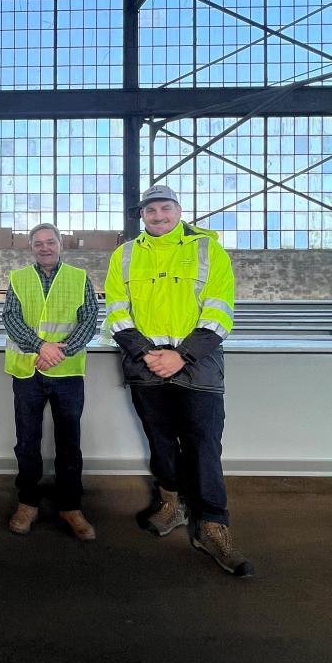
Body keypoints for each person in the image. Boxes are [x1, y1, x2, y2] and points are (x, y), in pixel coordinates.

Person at [104, 184, 254, 578]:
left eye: (165, 209)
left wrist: (181, 355)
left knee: (204, 443)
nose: (158, 217)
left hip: (197, 365)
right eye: (151, 211)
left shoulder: (208, 251)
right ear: (142, 216)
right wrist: (147, 353)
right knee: (160, 438)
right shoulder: (125, 255)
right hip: (146, 363)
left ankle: (213, 527)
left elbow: (221, 311)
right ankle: (171, 504)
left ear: (179, 210)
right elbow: (116, 310)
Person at [3, 222, 99, 541]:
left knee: (69, 445)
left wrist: (62, 350)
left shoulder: (79, 278)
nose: (44, 247)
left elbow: (89, 319)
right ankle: (27, 503)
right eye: (38, 243)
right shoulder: (18, 279)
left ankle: (70, 507)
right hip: (28, 372)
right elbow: (11, 318)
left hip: (67, 374)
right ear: (31, 248)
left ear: (61, 245)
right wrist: (41, 346)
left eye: (50, 242)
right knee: (27, 443)